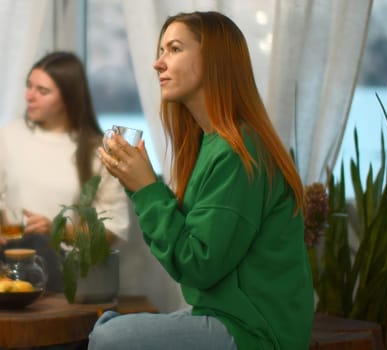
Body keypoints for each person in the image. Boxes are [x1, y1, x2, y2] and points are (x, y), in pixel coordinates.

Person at [90, 11, 314, 350]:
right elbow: (193, 246)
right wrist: (136, 181)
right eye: (161, 50)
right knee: (109, 328)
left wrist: (147, 189)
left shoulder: (239, 151)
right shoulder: (210, 144)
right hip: (224, 317)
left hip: (255, 333)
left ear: (214, 60)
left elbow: (198, 265)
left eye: (174, 49)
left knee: (108, 337)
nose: (157, 63)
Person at [0, 51, 129, 292]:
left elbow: (112, 229)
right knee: (8, 259)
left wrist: (57, 231)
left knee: (40, 247)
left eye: (42, 91)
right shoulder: (9, 136)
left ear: (68, 99)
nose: (29, 96)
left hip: (65, 261)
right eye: (29, 86)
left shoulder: (96, 150)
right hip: (5, 257)